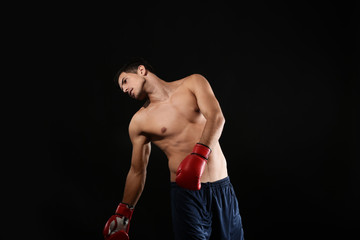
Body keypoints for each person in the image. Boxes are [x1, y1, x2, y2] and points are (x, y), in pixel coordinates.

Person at [103, 57, 245, 240]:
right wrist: (123, 214)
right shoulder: (139, 122)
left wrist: (198, 156)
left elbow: (217, 118)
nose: (124, 89)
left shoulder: (193, 83)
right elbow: (137, 171)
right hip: (186, 196)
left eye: (125, 81)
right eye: (121, 88)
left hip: (221, 187)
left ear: (141, 70)